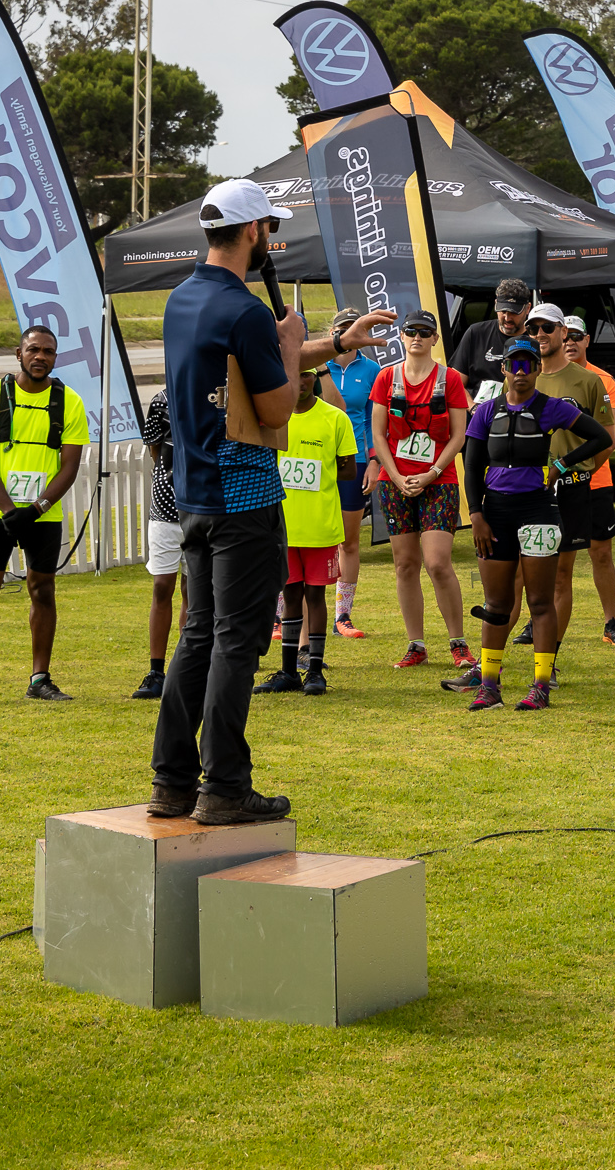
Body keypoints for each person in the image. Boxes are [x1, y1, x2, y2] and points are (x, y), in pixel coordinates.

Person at [149, 180, 392, 825]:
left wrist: (336, 344)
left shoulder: (183, 299)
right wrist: (290, 345)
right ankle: (225, 787)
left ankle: (172, 781)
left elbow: (256, 362)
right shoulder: (247, 310)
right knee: (237, 641)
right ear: (254, 230)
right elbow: (279, 403)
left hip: (196, 495)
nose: (271, 241)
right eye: (270, 229)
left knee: (198, 634)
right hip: (245, 496)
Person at [460, 337, 612, 711]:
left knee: (540, 602)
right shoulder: (485, 411)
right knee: (496, 604)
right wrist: (476, 515)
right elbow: (472, 466)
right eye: (514, 365)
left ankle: (540, 686)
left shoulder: (550, 407)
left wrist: (562, 464)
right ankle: (489, 687)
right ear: (504, 369)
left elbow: (600, 436)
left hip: (539, 511)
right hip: (495, 513)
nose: (521, 372)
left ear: (538, 369)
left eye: (528, 365)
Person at [0, 324, 88, 709]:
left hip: (43, 514)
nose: (40, 357)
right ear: (19, 354)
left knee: (42, 590)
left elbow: (70, 467)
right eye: (33, 350)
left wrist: (37, 508)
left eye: (48, 351)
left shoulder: (69, 402)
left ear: (55, 358)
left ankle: (39, 680)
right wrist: (10, 511)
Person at [492, 303, 615, 673]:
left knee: (560, 576)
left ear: (564, 332)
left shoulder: (588, 381)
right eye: (533, 329)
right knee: (514, 576)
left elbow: (607, 439)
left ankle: (549, 663)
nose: (540, 335)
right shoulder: (519, 375)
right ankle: (490, 663)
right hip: (522, 489)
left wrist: (574, 470)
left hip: (570, 489)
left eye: (547, 328)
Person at [371, 310, 474, 671]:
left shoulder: (450, 379)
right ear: (401, 336)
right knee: (404, 564)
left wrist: (431, 473)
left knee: (437, 563)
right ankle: (416, 645)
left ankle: (458, 643)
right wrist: (396, 476)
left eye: (425, 331)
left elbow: (459, 436)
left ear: (434, 339)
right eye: (411, 331)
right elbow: (379, 434)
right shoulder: (387, 377)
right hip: (395, 481)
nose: (417, 337)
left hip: (439, 481)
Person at [252, 365, 356, 697]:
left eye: (307, 374)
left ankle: (314, 670)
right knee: (290, 596)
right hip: (283, 528)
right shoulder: (273, 418)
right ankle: (287, 671)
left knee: (315, 596)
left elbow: (348, 470)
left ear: (316, 378)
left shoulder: (335, 419)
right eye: (293, 374)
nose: (300, 381)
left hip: (319, 527)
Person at [564, 314, 615, 646]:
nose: (570, 342)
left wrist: (582, 471)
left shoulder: (603, 380)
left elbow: (610, 438)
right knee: (554, 559)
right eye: (565, 336)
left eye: (577, 336)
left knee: (601, 553)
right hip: (554, 484)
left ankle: (610, 622)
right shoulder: (541, 376)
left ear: (587, 340)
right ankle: (538, 619)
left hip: (594, 481)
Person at [323, 308, 382, 639]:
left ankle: (342, 616)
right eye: (341, 328)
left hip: (355, 460)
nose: (346, 333)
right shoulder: (317, 364)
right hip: (316, 458)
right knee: (296, 539)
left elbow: (374, 420)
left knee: (348, 541)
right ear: (332, 332)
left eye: (352, 327)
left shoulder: (372, 370)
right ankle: (281, 614)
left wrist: (374, 461)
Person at [132, 386, 184, 700]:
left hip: (204, 509)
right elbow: (155, 450)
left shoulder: (221, 393)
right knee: (162, 587)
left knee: (195, 591)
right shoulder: (161, 401)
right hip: (165, 509)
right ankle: (156, 671)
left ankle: (188, 668)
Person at [449, 277, 532, 406]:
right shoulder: (476, 333)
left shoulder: (535, 340)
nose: (507, 318)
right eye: (503, 311)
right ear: (495, 304)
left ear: (527, 309)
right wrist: (473, 408)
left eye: (514, 312)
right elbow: (455, 383)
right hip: (477, 409)